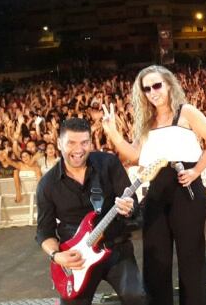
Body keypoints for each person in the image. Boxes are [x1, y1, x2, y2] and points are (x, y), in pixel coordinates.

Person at [101, 65, 206, 305]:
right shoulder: (147, 122)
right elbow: (134, 156)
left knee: (191, 259)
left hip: (185, 190)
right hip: (156, 192)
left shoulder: (185, 112)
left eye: (157, 85)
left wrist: (196, 171)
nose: (152, 92)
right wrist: (113, 133)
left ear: (168, 85)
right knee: (156, 260)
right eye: (146, 89)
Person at [35, 118, 145, 305]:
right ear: (59, 143)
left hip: (116, 248)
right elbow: (44, 231)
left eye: (84, 143)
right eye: (71, 143)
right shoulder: (47, 185)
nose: (79, 150)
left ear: (91, 142)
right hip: (76, 259)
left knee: (137, 297)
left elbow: (131, 204)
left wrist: (128, 208)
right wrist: (56, 256)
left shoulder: (108, 164)